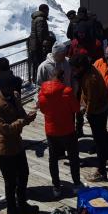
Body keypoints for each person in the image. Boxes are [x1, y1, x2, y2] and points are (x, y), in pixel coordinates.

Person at [0, 71, 39, 214]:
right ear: (3, 87)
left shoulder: (15, 96)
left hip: (16, 144)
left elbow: (21, 114)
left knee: (24, 173)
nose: (14, 88)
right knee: (10, 182)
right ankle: (12, 213)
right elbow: (5, 129)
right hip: (3, 149)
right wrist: (23, 121)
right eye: (11, 86)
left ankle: (22, 204)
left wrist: (27, 118)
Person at [38, 68, 81, 197]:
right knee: (73, 158)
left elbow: (43, 109)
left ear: (50, 78)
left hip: (52, 132)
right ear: (62, 79)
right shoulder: (67, 92)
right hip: (67, 130)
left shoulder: (43, 93)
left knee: (53, 159)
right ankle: (77, 184)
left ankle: (56, 187)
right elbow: (76, 108)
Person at [69, 53, 108, 182]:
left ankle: (101, 171)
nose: (73, 70)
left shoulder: (90, 79)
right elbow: (84, 93)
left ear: (81, 67)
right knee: (103, 136)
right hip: (101, 107)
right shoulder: (88, 71)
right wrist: (83, 103)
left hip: (97, 111)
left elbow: (92, 100)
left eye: (74, 68)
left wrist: (87, 112)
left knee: (99, 140)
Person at [28, 4, 56, 85]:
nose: (48, 12)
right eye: (47, 10)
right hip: (38, 47)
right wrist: (45, 41)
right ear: (44, 10)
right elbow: (41, 34)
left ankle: (35, 80)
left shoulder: (35, 19)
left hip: (33, 45)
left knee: (35, 63)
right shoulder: (41, 19)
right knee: (40, 64)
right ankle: (40, 81)